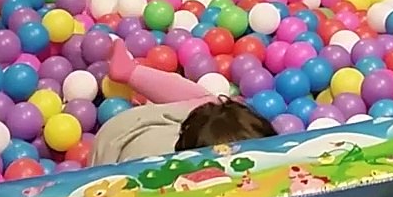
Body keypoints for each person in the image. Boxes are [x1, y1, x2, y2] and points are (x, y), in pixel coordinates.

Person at [90, 39, 276, 165]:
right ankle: (129, 72)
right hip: (121, 132)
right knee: (208, 104)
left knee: (208, 103)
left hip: (148, 126)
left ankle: (130, 72)